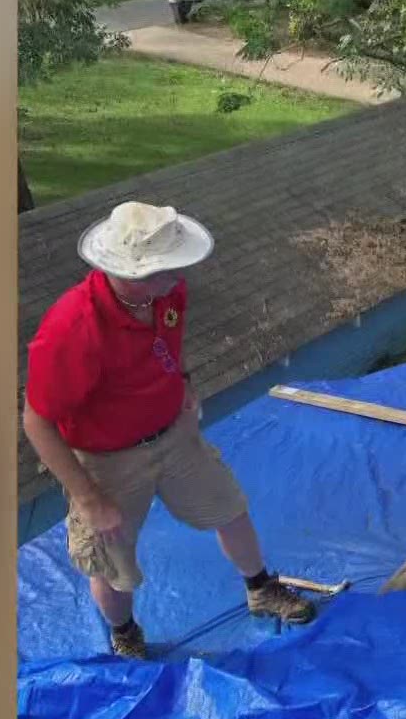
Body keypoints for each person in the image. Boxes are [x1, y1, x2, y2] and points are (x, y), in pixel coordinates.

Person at [22, 201, 315, 659]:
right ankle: (125, 635)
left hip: (173, 435)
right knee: (113, 563)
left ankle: (260, 588)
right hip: (107, 460)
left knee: (229, 507)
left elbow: (165, 347)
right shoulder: (73, 329)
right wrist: (88, 498)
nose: (179, 279)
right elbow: (35, 420)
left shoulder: (165, 294)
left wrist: (182, 383)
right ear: (130, 273)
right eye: (167, 271)